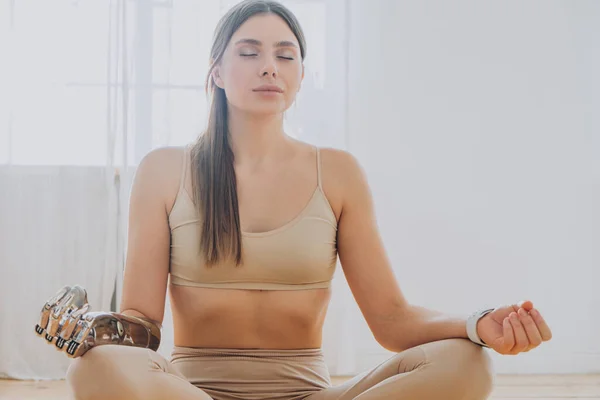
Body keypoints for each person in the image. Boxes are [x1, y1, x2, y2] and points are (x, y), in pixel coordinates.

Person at [36, 1, 552, 399]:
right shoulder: (165, 169)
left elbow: (393, 322)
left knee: (468, 363)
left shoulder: (339, 172)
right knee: (95, 367)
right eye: (250, 52)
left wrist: (477, 324)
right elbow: (142, 326)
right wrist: (95, 332)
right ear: (215, 71)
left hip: (310, 391)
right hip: (191, 392)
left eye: (286, 55)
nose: (269, 67)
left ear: (301, 76)